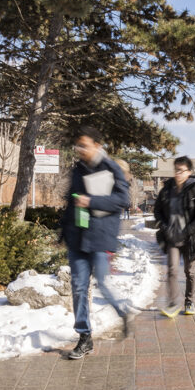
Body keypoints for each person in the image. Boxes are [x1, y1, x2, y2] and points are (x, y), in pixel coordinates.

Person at [60, 127, 136, 360]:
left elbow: (123, 200)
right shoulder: (77, 169)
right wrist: (62, 233)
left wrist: (91, 200)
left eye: (84, 145)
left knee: (102, 282)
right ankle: (85, 337)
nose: (80, 149)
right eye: (78, 145)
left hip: (99, 237)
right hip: (77, 237)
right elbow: (71, 202)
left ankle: (121, 311)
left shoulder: (110, 168)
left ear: (97, 146)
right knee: (79, 287)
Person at [153, 156, 195, 317]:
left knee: (189, 272)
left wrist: (188, 231)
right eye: (176, 170)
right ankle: (172, 303)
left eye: (181, 170)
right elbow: (157, 211)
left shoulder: (194, 189)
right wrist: (165, 227)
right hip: (172, 237)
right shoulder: (167, 188)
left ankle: (189, 301)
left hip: (190, 238)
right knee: (171, 270)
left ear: (189, 172)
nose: (177, 173)